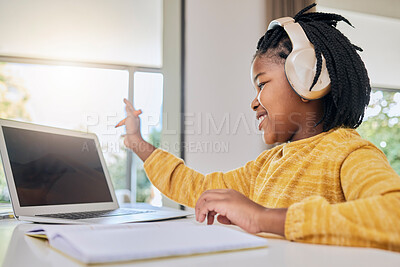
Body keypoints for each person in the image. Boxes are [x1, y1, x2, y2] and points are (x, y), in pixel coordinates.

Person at [117, 3, 400, 252]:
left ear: (308, 77)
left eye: (262, 83)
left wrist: (262, 217)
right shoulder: (267, 164)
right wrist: (137, 142)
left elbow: (393, 215)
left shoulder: (349, 152)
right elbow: (201, 189)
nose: (254, 102)